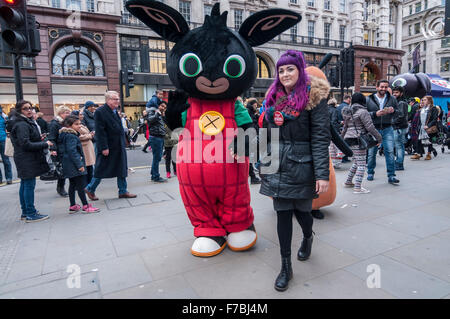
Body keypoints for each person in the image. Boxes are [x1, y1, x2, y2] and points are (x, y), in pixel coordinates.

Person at [259, 50, 330, 291]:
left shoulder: (314, 98)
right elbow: (267, 134)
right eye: (281, 70)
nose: (285, 74)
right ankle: (286, 266)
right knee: (282, 213)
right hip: (277, 162)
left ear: (299, 70)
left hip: (302, 164)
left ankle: (308, 236)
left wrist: (322, 174)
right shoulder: (274, 98)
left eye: (290, 69)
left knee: (303, 213)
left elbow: (320, 137)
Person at [85, 91, 137, 200]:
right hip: (108, 146)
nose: (118, 101)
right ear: (108, 100)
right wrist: (104, 147)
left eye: (118, 99)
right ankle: (90, 188)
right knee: (101, 169)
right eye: (115, 99)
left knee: (122, 168)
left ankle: (123, 191)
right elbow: (100, 131)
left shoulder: (114, 111)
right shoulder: (100, 111)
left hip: (118, 144)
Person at [8, 101, 52, 222]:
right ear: (19, 111)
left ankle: (25, 212)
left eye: (30, 108)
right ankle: (30, 213)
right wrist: (44, 144)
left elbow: (26, 140)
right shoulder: (22, 124)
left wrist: (38, 138)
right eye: (25, 109)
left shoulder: (22, 122)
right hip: (26, 158)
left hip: (25, 158)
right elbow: (25, 144)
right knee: (28, 185)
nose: (29, 110)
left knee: (25, 184)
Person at [341, 93, 382, 194]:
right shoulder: (363, 111)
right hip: (358, 139)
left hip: (349, 139)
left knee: (356, 162)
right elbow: (370, 127)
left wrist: (341, 139)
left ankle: (348, 182)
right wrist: (379, 138)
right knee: (362, 164)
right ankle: (358, 187)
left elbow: (345, 127)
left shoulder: (348, 112)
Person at [59, 115, 100, 213]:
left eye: (80, 124)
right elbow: (72, 151)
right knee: (81, 185)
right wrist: (80, 165)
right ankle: (86, 206)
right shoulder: (71, 136)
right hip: (74, 164)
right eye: (76, 124)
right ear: (69, 125)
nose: (79, 126)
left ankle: (73, 205)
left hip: (68, 163)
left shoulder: (64, 134)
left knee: (72, 184)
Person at [365, 79, 400, 185]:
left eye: (385, 87)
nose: (383, 89)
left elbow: (399, 112)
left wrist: (393, 111)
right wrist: (375, 114)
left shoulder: (392, 98)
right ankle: (370, 172)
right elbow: (364, 114)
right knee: (371, 153)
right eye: (382, 87)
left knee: (389, 152)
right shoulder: (368, 99)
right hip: (373, 129)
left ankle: (391, 175)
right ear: (377, 87)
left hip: (387, 128)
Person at [48, 105, 72, 197]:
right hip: (60, 149)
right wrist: (53, 149)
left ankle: (68, 187)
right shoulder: (55, 124)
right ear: (60, 114)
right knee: (62, 170)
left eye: (69, 112)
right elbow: (52, 138)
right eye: (66, 113)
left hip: (66, 148)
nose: (68, 114)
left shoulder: (65, 123)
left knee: (67, 169)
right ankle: (60, 188)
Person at [71, 110, 95, 186]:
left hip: (88, 147)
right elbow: (79, 137)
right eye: (81, 114)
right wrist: (90, 135)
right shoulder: (75, 125)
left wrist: (89, 134)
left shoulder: (82, 124)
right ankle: (86, 185)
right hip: (84, 148)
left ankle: (89, 184)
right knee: (87, 168)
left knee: (90, 167)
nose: (82, 116)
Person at [411, 96, 439, 160]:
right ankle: (418, 154)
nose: (423, 101)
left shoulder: (433, 108)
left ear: (429, 101)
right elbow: (419, 119)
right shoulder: (422, 109)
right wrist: (418, 127)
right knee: (419, 141)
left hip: (429, 128)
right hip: (421, 127)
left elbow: (434, 119)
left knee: (428, 141)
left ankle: (428, 154)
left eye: (425, 100)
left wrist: (428, 125)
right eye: (423, 100)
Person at [146, 100, 167, 182]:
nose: (163, 108)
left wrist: (163, 115)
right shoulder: (153, 112)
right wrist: (157, 114)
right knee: (157, 158)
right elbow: (150, 120)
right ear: (158, 106)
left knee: (157, 158)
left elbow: (162, 125)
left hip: (159, 137)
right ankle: (155, 176)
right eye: (162, 106)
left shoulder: (160, 114)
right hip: (155, 137)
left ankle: (153, 174)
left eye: (164, 107)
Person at [244, 98, 262, 184]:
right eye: (255, 104)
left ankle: (252, 176)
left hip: (251, 135)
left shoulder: (251, 112)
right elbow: (250, 123)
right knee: (249, 157)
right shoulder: (248, 111)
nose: (256, 106)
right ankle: (252, 176)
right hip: (249, 135)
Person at [392, 86, 409, 171]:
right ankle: (398, 162)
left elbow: (401, 116)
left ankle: (399, 163)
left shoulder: (401, 102)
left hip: (399, 127)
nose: (394, 94)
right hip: (400, 127)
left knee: (399, 146)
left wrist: (392, 122)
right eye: (394, 92)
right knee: (399, 145)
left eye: (396, 92)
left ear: (401, 93)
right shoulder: (399, 102)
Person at [162, 101, 177, 178]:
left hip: (174, 141)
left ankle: (175, 171)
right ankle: (168, 172)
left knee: (174, 157)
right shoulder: (162, 121)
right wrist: (168, 137)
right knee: (168, 158)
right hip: (167, 142)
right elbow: (163, 131)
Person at [327, 98, 343, 169]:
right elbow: (333, 121)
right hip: (334, 131)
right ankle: (337, 163)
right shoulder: (335, 110)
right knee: (337, 147)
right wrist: (340, 124)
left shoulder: (326, 110)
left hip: (327, 131)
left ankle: (333, 163)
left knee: (331, 148)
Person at [337, 95, 351, 163]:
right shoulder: (347, 107)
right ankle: (344, 158)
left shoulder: (338, 106)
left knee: (341, 142)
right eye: (350, 99)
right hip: (346, 126)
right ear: (348, 99)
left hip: (339, 126)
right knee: (346, 142)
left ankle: (342, 157)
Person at [0, 105, 13, 185]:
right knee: (6, 160)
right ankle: (8, 178)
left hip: (3, 140)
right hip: (3, 139)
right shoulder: (4, 117)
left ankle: (7, 178)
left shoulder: (4, 118)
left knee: (6, 160)